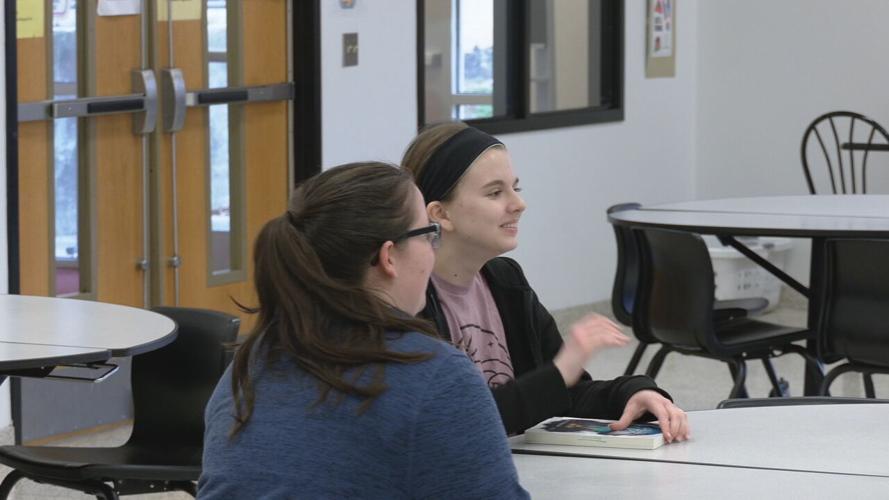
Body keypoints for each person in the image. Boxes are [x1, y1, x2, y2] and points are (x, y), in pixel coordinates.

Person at [198, 162, 529, 499]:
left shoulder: (252, 362)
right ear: (388, 257)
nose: (434, 250)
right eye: (429, 235)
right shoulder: (436, 376)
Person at [402, 123, 690, 442]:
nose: (518, 204)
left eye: (516, 188)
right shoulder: (409, 301)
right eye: (495, 192)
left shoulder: (506, 281)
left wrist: (632, 394)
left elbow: (563, 397)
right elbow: (453, 424)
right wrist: (560, 371)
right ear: (441, 213)